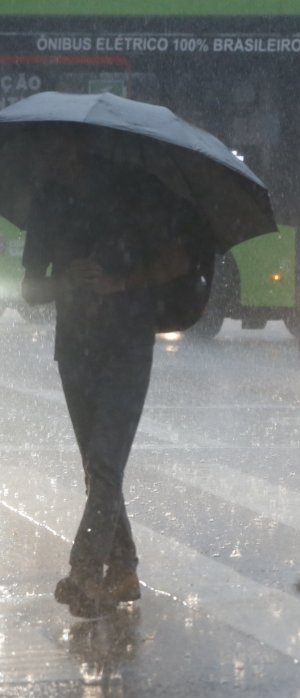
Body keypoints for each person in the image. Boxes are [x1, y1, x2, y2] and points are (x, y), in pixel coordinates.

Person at [21, 128, 189, 619]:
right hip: (74, 350)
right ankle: (124, 568)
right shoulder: (49, 201)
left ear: (82, 147)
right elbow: (31, 290)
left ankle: (83, 572)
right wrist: (65, 281)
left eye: (59, 147)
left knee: (106, 464)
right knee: (99, 468)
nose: (51, 154)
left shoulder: (136, 192)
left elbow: (177, 259)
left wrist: (120, 282)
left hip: (127, 345)